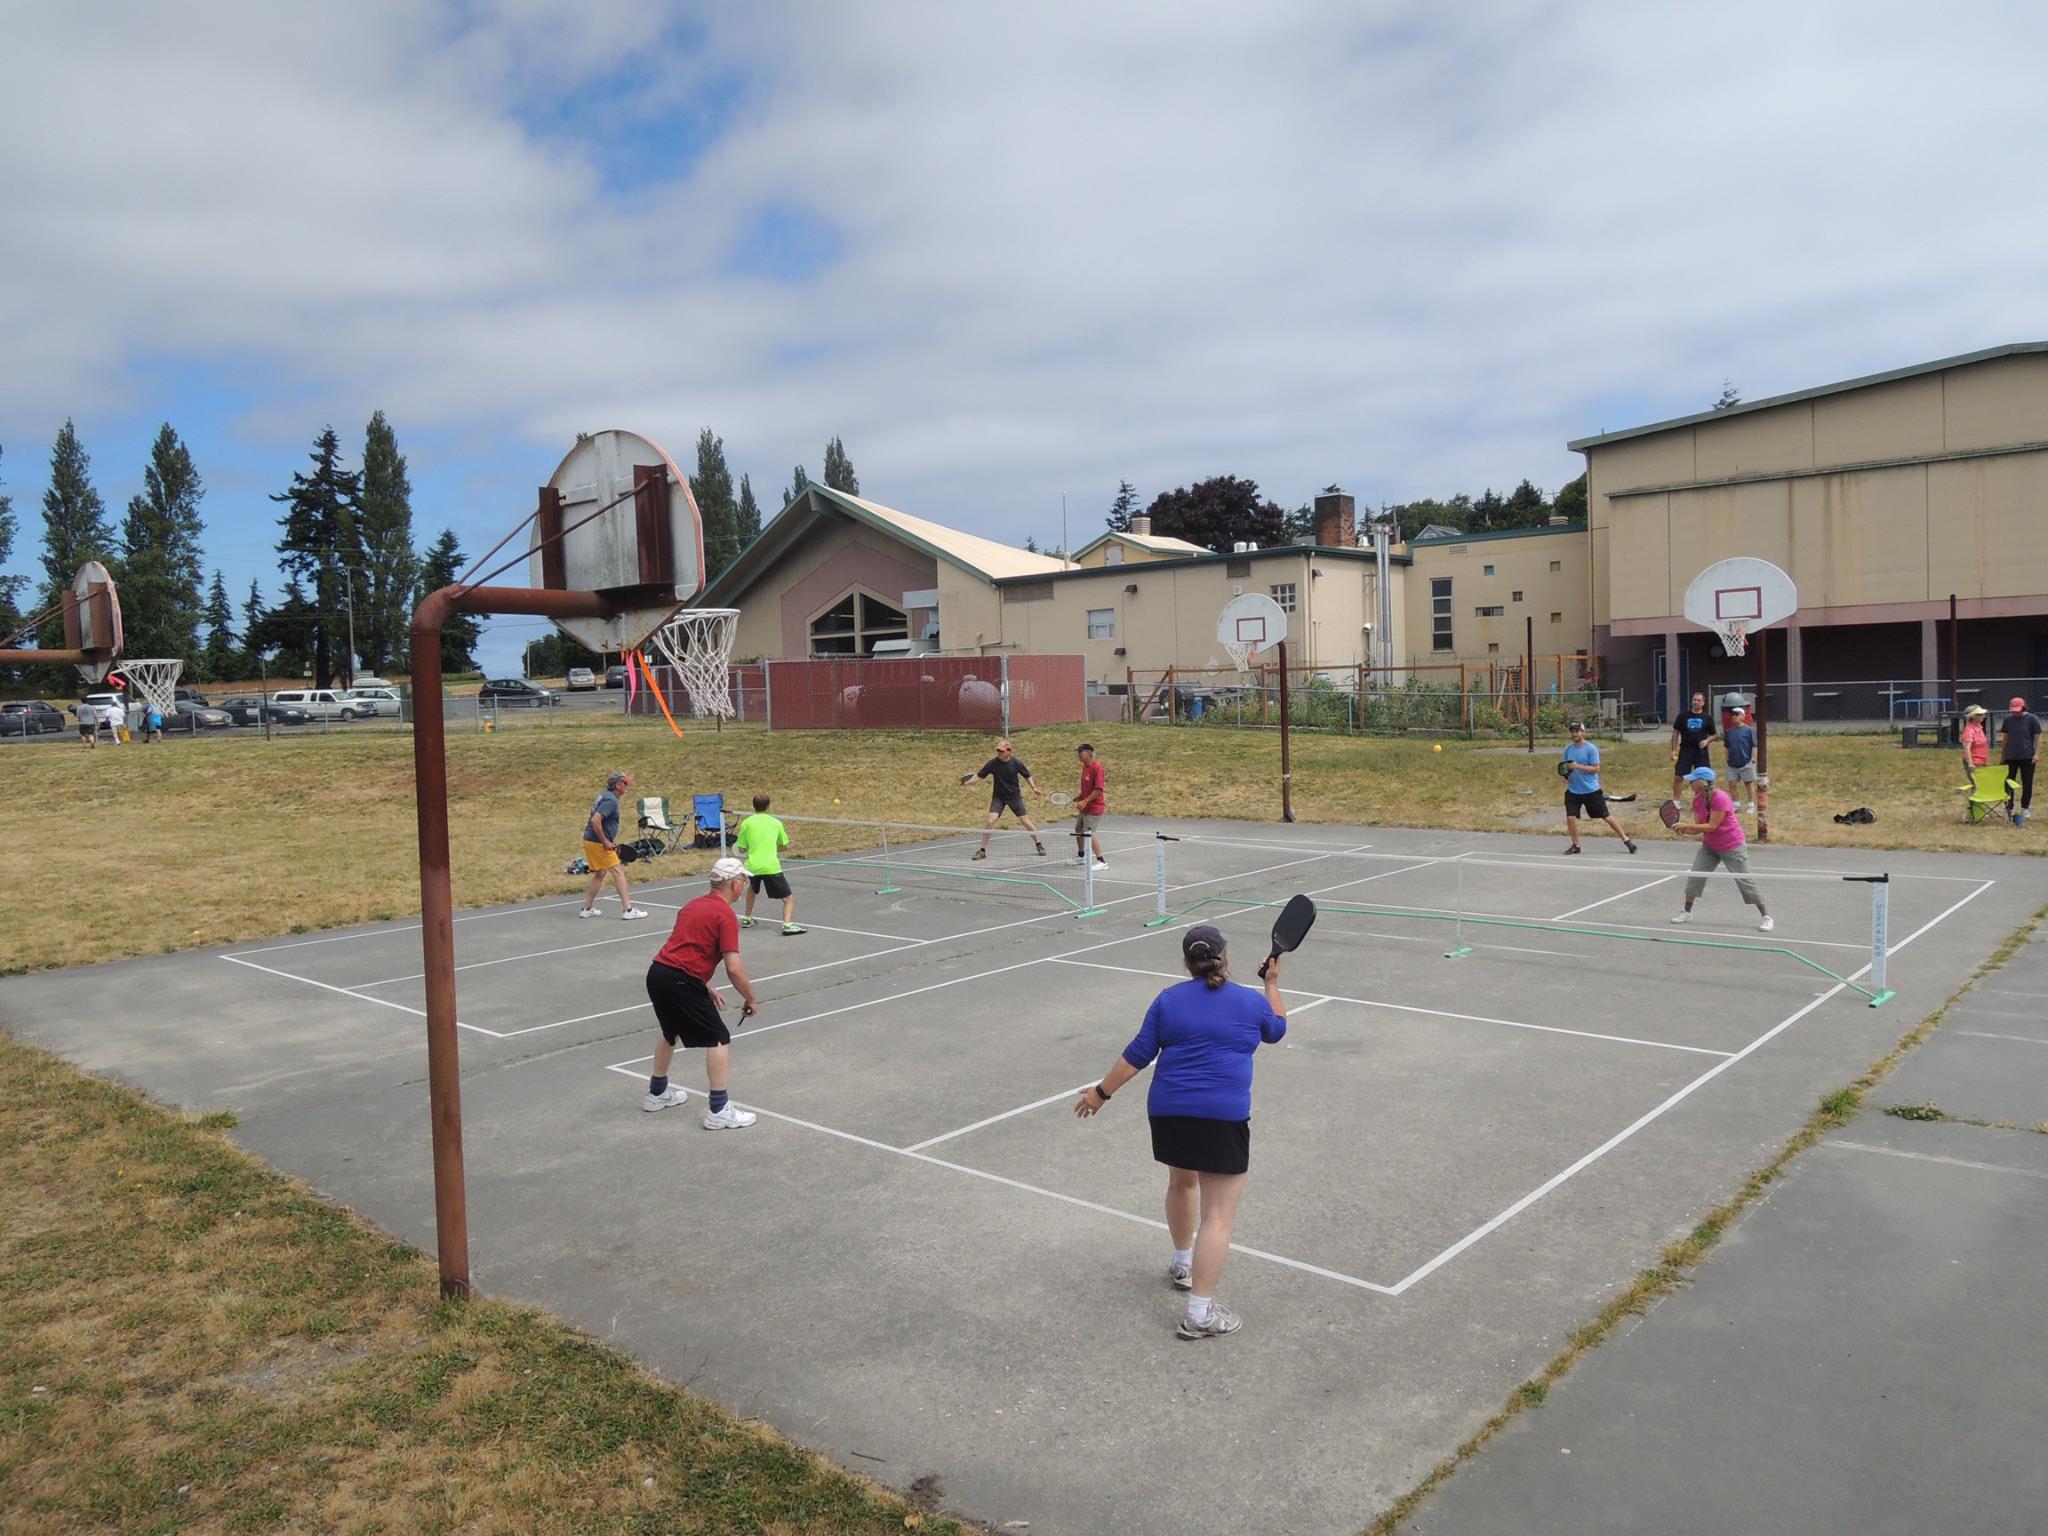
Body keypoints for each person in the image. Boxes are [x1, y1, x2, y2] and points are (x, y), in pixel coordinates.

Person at [1074, 925, 1287, 1340]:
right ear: (1225, 957)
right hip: (1222, 1117)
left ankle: (1182, 1262)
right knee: (1219, 1216)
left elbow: (1138, 1053)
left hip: (1169, 1113)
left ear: (1187, 963)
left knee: (1181, 1180)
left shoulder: (1168, 1000)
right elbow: (1276, 1029)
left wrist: (1101, 1093)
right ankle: (1200, 1314)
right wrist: (1272, 985)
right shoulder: (1248, 1001)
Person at [642, 857, 761, 1129]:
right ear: (735, 884)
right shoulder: (725, 915)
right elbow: (734, 967)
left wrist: (704, 985)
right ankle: (719, 1110)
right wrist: (750, 997)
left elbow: (681, 950)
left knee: (670, 1032)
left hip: (659, 974)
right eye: (744, 880)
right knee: (719, 1038)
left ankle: (657, 1093)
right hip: (680, 981)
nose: (744, 885)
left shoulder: (692, 905)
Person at [1668, 766, 1772, 931]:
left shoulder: (1721, 798)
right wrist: (1685, 831)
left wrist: (1687, 825)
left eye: (1692, 780)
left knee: (1744, 880)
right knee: (1696, 875)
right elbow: (1700, 827)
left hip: (1732, 845)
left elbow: (1712, 825)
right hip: (1710, 845)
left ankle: (1766, 917)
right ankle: (1686, 911)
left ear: (1702, 783)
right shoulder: (1697, 800)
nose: (1689, 783)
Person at [577, 770, 649, 921]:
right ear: (618, 785)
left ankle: (587, 909)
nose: (628, 785)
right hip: (597, 842)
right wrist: (604, 841)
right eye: (626, 783)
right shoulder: (611, 801)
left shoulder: (605, 795)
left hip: (590, 841)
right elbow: (595, 821)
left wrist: (607, 839)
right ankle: (628, 910)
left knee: (601, 873)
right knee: (618, 872)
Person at [1560, 720, 1637, 855]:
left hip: (1591, 790)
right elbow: (1566, 768)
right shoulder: (1568, 750)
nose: (1574, 734)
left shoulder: (1591, 749)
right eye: (1572, 731)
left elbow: (1596, 769)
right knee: (1570, 817)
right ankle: (1575, 845)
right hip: (1573, 791)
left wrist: (1577, 766)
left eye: (1577, 731)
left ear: (1583, 732)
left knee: (1606, 817)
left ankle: (1627, 840)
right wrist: (1566, 775)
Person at [961, 738, 1046, 859]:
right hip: (999, 798)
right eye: (998, 751)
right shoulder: (993, 763)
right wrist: (967, 783)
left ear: (1009, 751)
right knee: (990, 821)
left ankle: (1039, 844)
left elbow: (1027, 775)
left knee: (1026, 822)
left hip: (1014, 797)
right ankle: (982, 851)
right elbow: (978, 776)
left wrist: (1034, 788)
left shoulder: (1016, 762)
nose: (999, 753)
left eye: (1001, 751)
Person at [734, 793, 805, 936]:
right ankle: (787, 924)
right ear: (768, 806)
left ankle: (747, 918)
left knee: (752, 889)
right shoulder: (776, 823)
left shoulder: (746, 823)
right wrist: (773, 847)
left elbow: (741, 848)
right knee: (788, 898)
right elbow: (785, 845)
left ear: (754, 806)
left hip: (752, 866)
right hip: (771, 866)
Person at [2000, 696, 2042, 827]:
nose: (2015, 713)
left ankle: (2025, 807)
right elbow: (2005, 739)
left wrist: (2036, 753)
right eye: (2013, 710)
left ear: (2024, 707)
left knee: (2027, 782)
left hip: (2027, 756)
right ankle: (2009, 807)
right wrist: (2003, 756)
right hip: (2011, 756)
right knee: (2008, 782)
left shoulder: (2032, 719)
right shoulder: (2008, 720)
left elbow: (2037, 738)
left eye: (2017, 710)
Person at [1669, 690, 1715, 802]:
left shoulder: (1707, 718)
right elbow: (1675, 733)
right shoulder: (1683, 716)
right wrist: (1674, 750)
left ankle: (1699, 801)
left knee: (1702, 778)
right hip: (1686, 750)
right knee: (1679, 776)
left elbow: (1714, 734)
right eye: (1694, 700)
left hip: (1701, 752)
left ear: (1703, 702)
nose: (1696, 702)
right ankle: (1676, 801)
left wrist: (1707, 741)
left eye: (1698, 700)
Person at [1072, 742, 1108, 870]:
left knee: (1088, 832)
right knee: (1078, 829)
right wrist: (1080, 796)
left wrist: (1085, 801)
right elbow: (1088, 788)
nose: (1078, 755)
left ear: (1088, 753)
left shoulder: (1097, 768)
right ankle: (1082, 856)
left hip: (1095, 808)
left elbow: (1098, 790)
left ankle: (1102, 861)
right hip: (1085, 806)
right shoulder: (1085, 767)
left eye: (1080, 752)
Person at [1723, 707, 1757, 814]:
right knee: (1732, 784)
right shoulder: (1729, 732)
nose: (1734, 717)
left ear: (1742, 716)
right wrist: (1727, 758)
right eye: (1732, 715)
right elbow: (1727, 747)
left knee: (1748, 783)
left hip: (1746, 761)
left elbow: (1754, 745)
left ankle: (1751, 804)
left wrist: (1753, 759)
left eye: (1736, 714)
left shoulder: (1749, 730)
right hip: (1732, 763)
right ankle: (1735, 804)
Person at [1959, 703, 1991, 782]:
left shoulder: (1979, 727)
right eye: (1980, 714)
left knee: (1983, 784)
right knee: (1979, 785)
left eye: (1983, 714)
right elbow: (1967, 748)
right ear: (1973, 717)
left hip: (1982, 760)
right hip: (1975, 762)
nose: (1983, 716)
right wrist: (1970, 764)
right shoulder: (1969, 730)